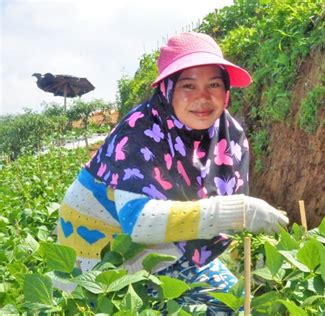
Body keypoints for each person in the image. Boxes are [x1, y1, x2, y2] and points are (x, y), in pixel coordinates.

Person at [56, 32, 288, 314]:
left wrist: (258, 257)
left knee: (237, 302)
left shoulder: (229, 136)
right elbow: (137, 221)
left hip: (167, 249)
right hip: (101, 262)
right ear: (167, 90)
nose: (203, 97)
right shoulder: (139, 131)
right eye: (188, 86)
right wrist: (238, 212)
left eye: (214, 84)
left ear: (226, 91)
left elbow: (223, 212)